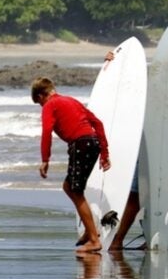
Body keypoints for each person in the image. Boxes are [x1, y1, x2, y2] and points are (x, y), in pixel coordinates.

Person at [105, 50, 168, 251]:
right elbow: (113, 94)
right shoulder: (139, 94)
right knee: (135, 196)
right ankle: (118, 240)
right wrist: (110, 65)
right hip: (140, 148)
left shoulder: (165, 97)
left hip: (162, 150)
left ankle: (151, 237)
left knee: (158, 195)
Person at [31, 77, 111, 253]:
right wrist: (104, 153)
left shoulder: (50, 106)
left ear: (41, 96)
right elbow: (98, 123)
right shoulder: (71, 100)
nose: (41, 107)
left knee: (75, 191)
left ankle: (93, 239)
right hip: (92, 142)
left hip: (81, 144)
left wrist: (45, 159)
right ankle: (91, 233)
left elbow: (46, 132)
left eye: (39, 103)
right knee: (70, 187)